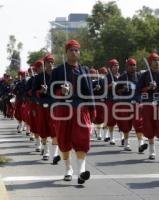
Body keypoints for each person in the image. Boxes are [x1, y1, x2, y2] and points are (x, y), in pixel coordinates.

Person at [51, 39, 95, 184]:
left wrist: (92, 109)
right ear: (66, 52)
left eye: (76, 50)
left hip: (81, 109)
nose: (74, 52)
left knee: (82, 139)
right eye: (71, 50)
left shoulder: (85, 71)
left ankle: (81, 172)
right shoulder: (58, 71)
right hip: (63, 110)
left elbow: (89, 92)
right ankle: (68, 169)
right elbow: (52, 92)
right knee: (63, 139)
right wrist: (60, 91)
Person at [137, 52, 159, 163]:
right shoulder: (144, 75)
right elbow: (138, 90)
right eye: (154, 60)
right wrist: (148, 87)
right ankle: (152, 151)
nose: (157, 62)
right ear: (150, 62)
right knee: (149, 127)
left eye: (158, 60)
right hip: (148, 104)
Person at [115, 58, 148, 152]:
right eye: (131, 65)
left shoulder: (140, 76)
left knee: (139, 123)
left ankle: (141, 144)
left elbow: (144, 88)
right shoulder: (122, 77)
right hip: (125, 103)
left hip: (137, 102)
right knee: (126, 124)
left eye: (134, 65)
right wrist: (123, 90)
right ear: (127, 66)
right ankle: (126, 142)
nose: (133, 67)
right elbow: (116, 91)